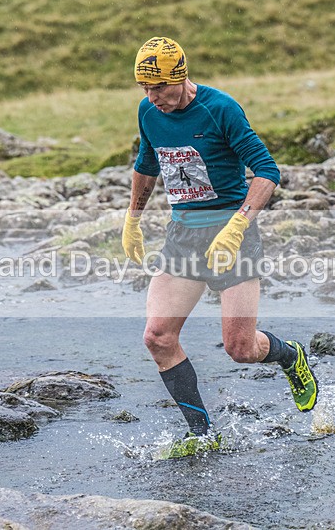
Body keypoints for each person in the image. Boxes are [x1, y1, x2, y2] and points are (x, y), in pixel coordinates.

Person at [122, 36, 318, 457]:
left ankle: (290, 357)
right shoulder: (148, 112)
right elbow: (147, 163)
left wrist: (238, 226)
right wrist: (133, 219)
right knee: (158, 337)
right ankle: (202, 434)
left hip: (233, 236)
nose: (153, 98)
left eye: (160, 88)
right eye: (145, 89)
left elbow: (266, 170)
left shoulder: (221, 109)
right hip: (184, 236)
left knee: (240, 348)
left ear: (181, 76)